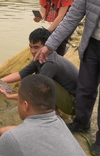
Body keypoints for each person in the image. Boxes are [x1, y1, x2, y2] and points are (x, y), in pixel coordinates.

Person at [34, 0, 100, 155]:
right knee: (85, 88)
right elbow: (71, 18)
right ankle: (81, 123)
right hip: (92, 44)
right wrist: (49, 45)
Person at [0, 74, 86, 156]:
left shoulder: (10, 140)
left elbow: (11, 138)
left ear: (25, 105)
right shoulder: (58, 121)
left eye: (19, 100)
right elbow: (17, 130)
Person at [0, 27, 78, 115]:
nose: (32, 51)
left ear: (47, 46)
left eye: (36, 47)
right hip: (69, 97)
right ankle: (54, 110)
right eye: (31, 47)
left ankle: (53, 114)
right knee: (38, 78)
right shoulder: (41, 57)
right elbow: (21, 73)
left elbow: (35, 92)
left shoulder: (50, 63)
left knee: (41, 85)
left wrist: (10, 96)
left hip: (75, 105)